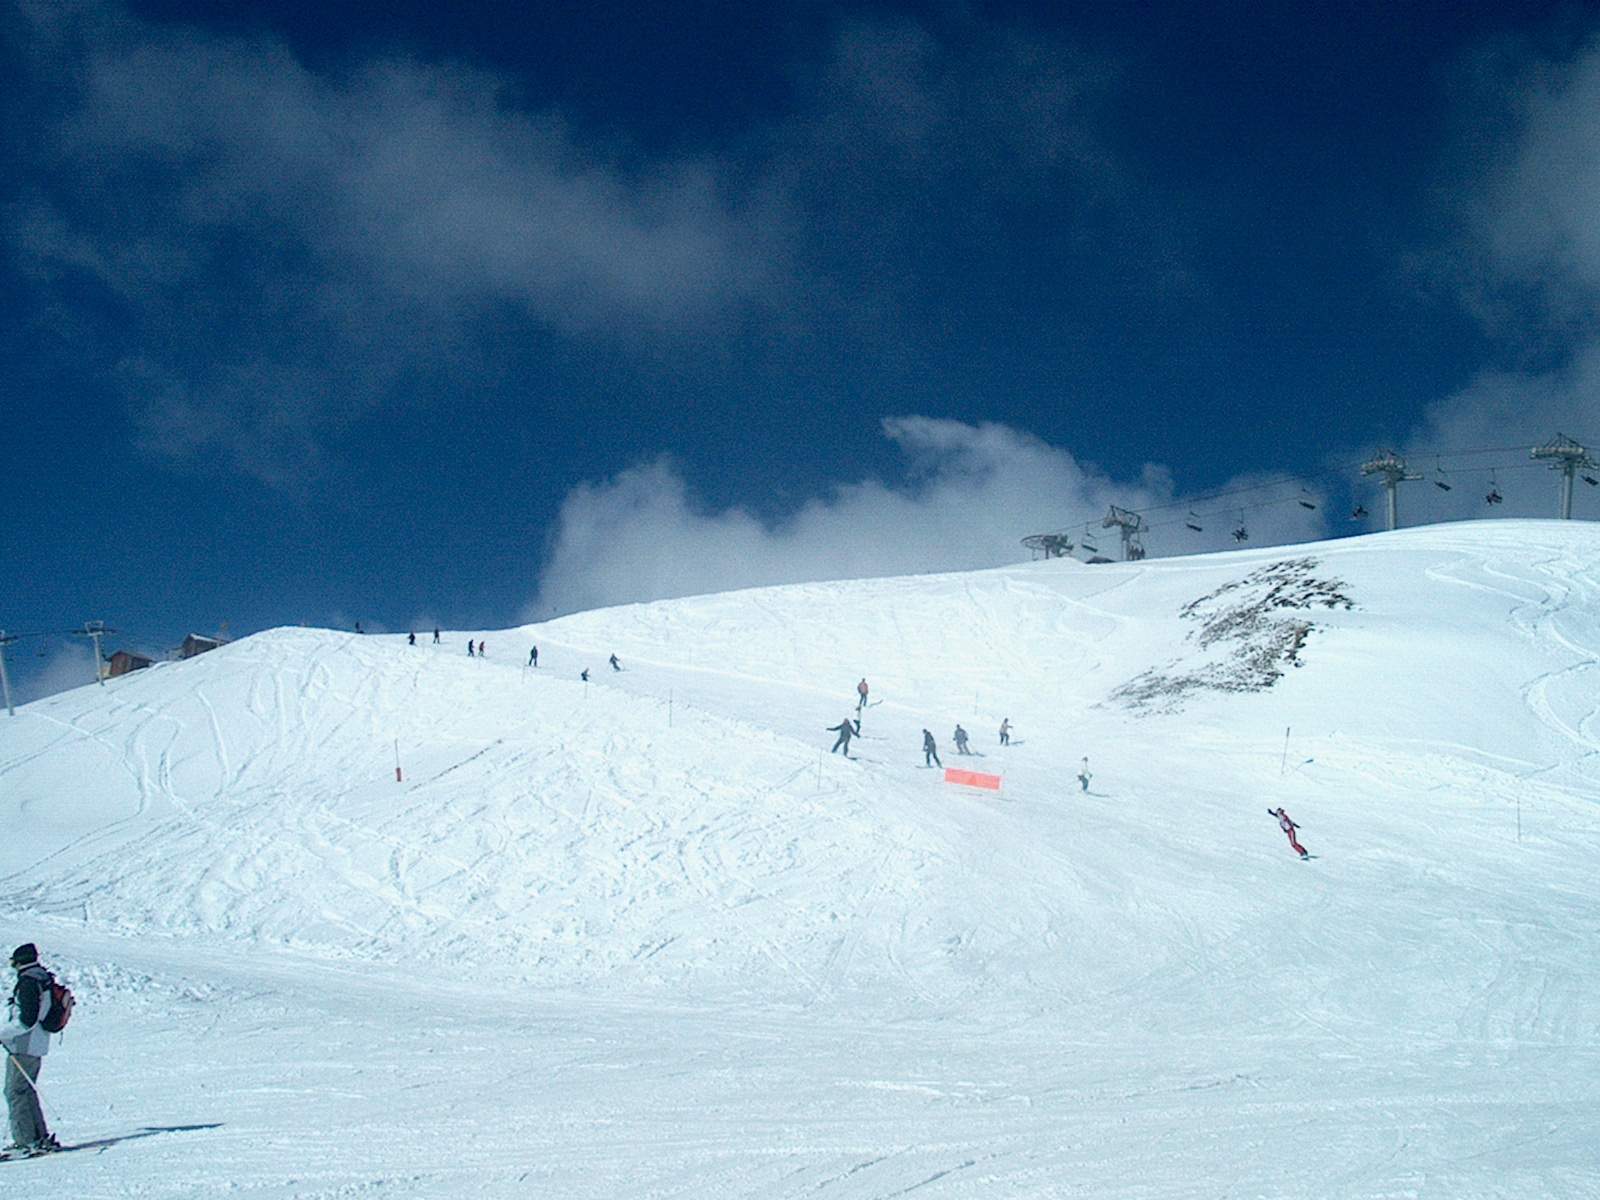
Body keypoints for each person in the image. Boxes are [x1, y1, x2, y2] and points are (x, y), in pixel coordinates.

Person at [1, 944, 59, 1156]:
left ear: (19, 961)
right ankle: (38, 1137)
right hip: (37, 1042)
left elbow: (27, 1020)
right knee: (25, 1089)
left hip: (23, 1044)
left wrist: (3, 1034)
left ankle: (26, 1142)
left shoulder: (28, 981)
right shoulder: (42, 977)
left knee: (15, 1091)